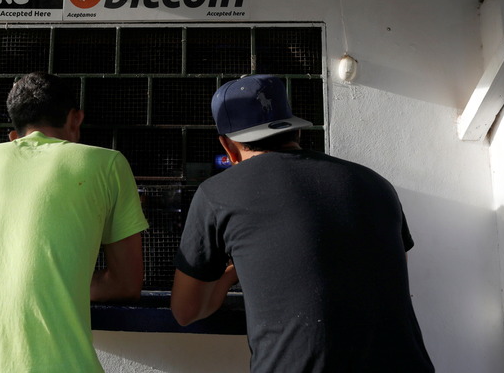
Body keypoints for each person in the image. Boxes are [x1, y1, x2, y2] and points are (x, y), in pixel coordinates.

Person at [171, 74, 434, 372]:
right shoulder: (375, 183)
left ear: (228, 147)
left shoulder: (218, 193)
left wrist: (231, 273)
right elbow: (384, 273)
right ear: (295, 131)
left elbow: (186, 310)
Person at [0, 72, 149, 373]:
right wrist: (62, 284)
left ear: (15, 129)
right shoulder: (107, 164)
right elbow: (126, 284)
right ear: (76, 118)